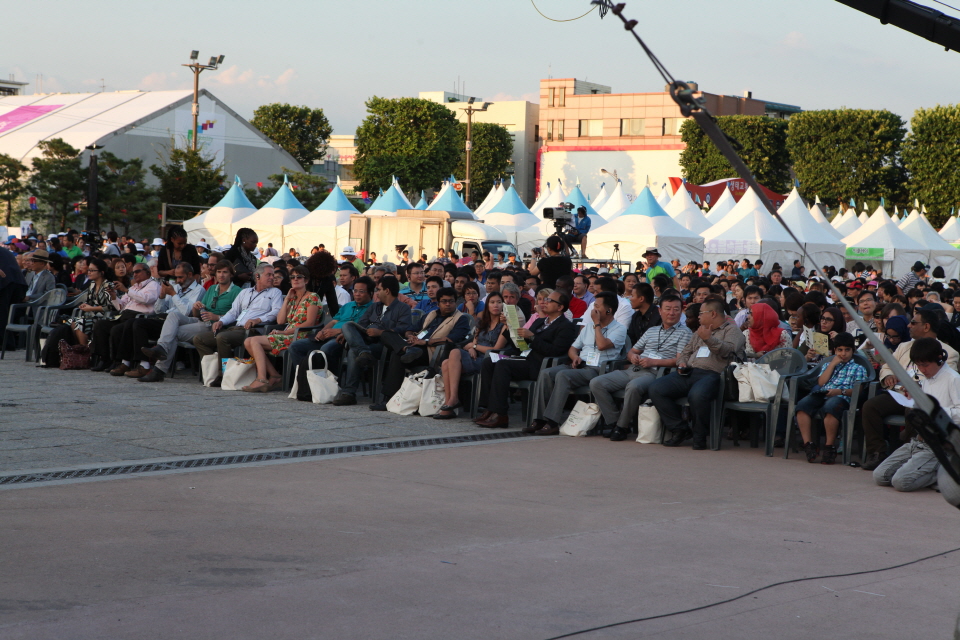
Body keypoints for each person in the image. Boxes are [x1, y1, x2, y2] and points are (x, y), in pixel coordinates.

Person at [860, 307, 959, 470]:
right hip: (900, 393)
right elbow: (887, 366)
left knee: (913, 411)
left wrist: (918, 388)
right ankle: (877, 452)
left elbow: (943, 380)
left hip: (924, 398)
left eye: (913, 322)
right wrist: (888, 375)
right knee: (870, 406)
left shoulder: (948, 352)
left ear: (926, 326)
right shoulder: (904, 347)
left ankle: (911, 456)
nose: (908, 326)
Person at [590, 294, 691, 441]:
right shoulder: (652, 331)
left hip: (656, 373)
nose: (672, 313)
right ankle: (613, 422)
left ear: (681, 312)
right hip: (634, 369)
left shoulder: (685, 332)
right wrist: (633, 357)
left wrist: (653, 362)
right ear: (660, 311)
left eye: (676, 309)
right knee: (597, 383)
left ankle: (622, 427)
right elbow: (632, 351)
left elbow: (679, 360)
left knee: (634, 386)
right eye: (668, 309)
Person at [648, 298, 746, 449]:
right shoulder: (700, 330)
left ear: (713, 314)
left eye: (701, 313)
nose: (698, 316)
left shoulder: (732, 331)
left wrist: (709, 339)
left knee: (697, 395)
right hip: (690, 372)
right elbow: (685, 352)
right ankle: (679, 429)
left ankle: (700, 436)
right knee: (656, 388)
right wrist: (682, 362)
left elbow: (728, 351)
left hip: (715, 375)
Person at [525, 292, 628, 435]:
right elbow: (573, 348)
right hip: (579, 365)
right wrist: (574, 357)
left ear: (609, 310)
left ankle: (552, 422)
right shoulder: (588, 327)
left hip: (598, 369)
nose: (593, 310)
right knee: (546, 373)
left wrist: (597, 324)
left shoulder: (619, 329)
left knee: (563, 375)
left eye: (597, 306)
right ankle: (539, 420)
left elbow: (602, 345)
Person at [474, 291, 579, 428]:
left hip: (539, 364)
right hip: (525, 357)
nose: (545, 302)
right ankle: (488, 408)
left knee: (503, 365)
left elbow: (555, 351)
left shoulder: (566, 326)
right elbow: (520, 346)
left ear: (560, 307)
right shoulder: (539, 321)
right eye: (545, 299)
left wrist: (532, 337)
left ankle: (500, 414)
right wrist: (509, 327)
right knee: (489, 361)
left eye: (549, 300)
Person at [871, 337, 960, 493]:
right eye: (918, 365)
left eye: (925, 365)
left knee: (901, 482)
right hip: (919, 441)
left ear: (939, 359)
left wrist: (934, 411)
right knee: (880, 476)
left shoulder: (953, 379)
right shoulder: (926, 379)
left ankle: (945, 472)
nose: (922, 369)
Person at [138, 260, 242, 382]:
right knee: (173, 315)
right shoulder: (212, 288)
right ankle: (161, 347)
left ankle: (159, 370)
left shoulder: (237, 291)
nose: (221, 275)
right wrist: (196, 307)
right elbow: (196, 314)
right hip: (201, 320)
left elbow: (237, 315)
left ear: (231, 274)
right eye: (219, 272)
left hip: (215, 325)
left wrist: (217, 317)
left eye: (225, 272)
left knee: (173, 333)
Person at [371, 287, 471, 410]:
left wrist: (425, 342)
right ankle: (406, 349)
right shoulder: (431, 315)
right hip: (415, 347)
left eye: (451, 301)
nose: (448, 304)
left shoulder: (460, 319)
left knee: (396, 355)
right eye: (444, 301)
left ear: (455, 302)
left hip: (432, 352)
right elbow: (410, 329)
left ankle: (387, 400)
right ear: (438, 303)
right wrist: (410, 336)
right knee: (386, 334)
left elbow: (452, 339)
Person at [192, 263, 284, 386]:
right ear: (257, 276)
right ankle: (212, 372)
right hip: (235, 328)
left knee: (222, 337)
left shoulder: (275, 292)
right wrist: (221, 321)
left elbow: (276, 312)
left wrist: (258, 320)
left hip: (253, 330)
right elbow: (233, 312)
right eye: (269, 275)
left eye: (273, 275)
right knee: (199, 339)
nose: (272, 278)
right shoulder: (245, 292)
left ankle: (223, 375)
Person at [331, 276, 414, 406]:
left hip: (384, 345)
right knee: (348, 325)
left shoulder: (403, 308)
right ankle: (363, 352)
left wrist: (380, 332)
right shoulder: (375, 307)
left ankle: (349, 393)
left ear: (387, 291)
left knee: (353, 351)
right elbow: (361, 324)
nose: (377, 293)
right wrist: (349, 333)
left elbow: (403, 329)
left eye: (379, 289)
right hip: (366, 340)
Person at [286, 276, 375, 395]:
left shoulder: (373, 308)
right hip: (328, 335)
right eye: (355, 291)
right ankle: (305, 384)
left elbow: (361, 329)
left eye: (361, 291)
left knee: (326, 349)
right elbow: (333, 322)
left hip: (344, 339)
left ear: (370, 293)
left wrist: (338, 332)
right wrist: (322, 332)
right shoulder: (348, 306)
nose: (357, 294)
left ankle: (331, 385)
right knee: (295, 346)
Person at [240, 265, 321, 392]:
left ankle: (262, 379)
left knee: (254, 340)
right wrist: (287, 299)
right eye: (292, 277)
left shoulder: (312, 297)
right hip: (287, 334)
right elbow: (281, 321)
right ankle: (275, 375)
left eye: (299, 277)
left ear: (306, 280)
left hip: (301, 335)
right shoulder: (293, 298)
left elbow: (310, 322)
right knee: (248, 341)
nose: (295, 279)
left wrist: (285, 332)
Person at [794, 332, 871, 464]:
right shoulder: (829, 364)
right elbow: (821, 383)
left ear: (853, 351)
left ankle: (829, 447)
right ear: (835, 350)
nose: (843, 353)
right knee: (802, 406)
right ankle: (808, 444)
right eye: (840, 350)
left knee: (831, 407)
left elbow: (858, 391)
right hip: (824, 393)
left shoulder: (858, 368)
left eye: (847, 350)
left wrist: (839, 391)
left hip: (842, 396)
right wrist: (832, 365)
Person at [434, 292, 510, 419]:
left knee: (454, 353)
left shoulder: (505, 325)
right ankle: (450, 402)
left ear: (503, 305)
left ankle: (452, 401)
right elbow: (473, 342)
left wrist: (474, 347)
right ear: (487, 305)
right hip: (474, 356)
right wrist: (472, 348)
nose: (496, 305)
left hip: (488, 360)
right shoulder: (482, 322)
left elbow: (496, 349)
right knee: (446, 363)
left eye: (499, 302)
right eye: (492, 302)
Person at [124, 263, 205, 379]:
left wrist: (173, 295)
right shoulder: (176, 287)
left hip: (187, 321)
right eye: (176, 277)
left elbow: (187, 312)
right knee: (131, 322)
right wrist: (162, 296)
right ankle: (131, 364)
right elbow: (158, 310)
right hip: (166, 319)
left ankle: (145, 364)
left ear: (190, 274)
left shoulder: (199, 290)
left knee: (140, 324)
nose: (178, 280)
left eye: (181, 277)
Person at [91, 262, 161, 374]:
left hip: (139, 317)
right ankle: (104, 359)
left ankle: (120, 362)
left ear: (148, 273)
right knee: (101, 325)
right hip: (124, 315)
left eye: (138, 271)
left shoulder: (153, 285)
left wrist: (127, 291)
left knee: (117, 329)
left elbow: (147, 299)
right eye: (133, 272)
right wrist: (114, 296)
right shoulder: (134, 287)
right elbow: (120, 306)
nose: (135, 274)